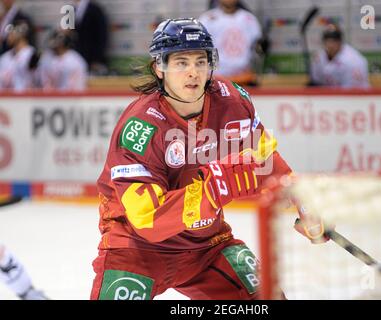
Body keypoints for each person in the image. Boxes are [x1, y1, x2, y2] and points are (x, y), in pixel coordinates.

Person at [90, 18, 328, 300]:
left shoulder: (233, 100)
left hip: (208, 247)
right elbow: (146, 219)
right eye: (181, 62)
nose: (193, 72)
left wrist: (303, 200)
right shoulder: (140, 127)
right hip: (136, 249)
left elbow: (265, 160)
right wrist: (210, 191)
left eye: (200, 61)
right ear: (159, 68)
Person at [199, 0, 262, 86]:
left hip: (243, 77)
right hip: (215, 78)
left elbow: (257, 48)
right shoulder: (207, 19)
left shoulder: (249, 19)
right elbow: (201, 48)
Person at [73, 0, 109, 75]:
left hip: (92, 58)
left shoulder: (95, 9)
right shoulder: (72, 10)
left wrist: (96, 59)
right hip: (77, 58)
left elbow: (102, 35)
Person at [0, 20, 37, 92]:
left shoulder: (32, 55)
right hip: (6, 99)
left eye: (11, 33)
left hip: (27, 99)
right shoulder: (4, 57)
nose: (8, 36)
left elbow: (37, 81)